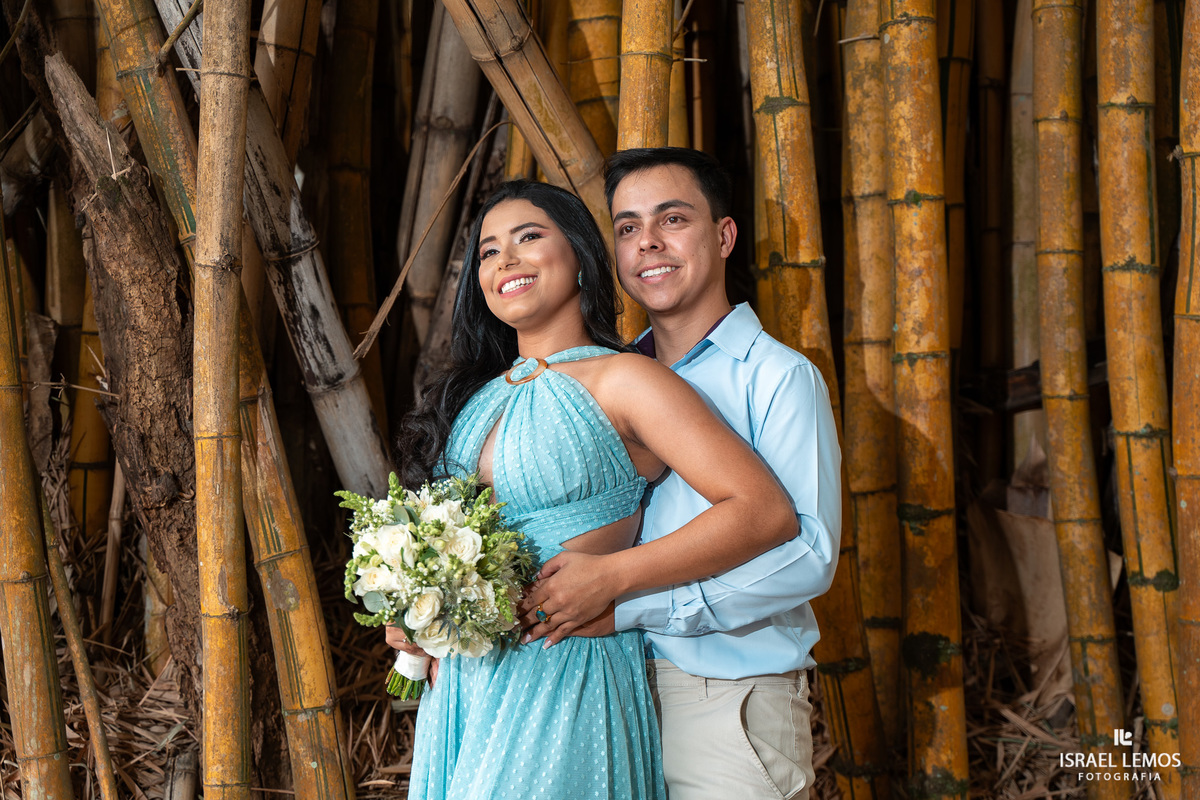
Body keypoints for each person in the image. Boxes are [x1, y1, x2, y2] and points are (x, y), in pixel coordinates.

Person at [389, 179, 799, 800]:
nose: (508, 261)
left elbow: (763, 510)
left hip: (567, 669)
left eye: (529, 237)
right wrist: (419, 606)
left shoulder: (626, 380)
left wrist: (616, 577)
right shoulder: (475, 398)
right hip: (469, 683)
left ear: (580, 254)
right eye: (490, 251)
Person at [519, 148, 841, 800]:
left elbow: (810, 557)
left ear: (722, 236)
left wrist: (639, 604)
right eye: (629, 228)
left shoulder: (777, 377)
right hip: (605, 693)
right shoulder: (600, 382)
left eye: (673, 219)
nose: (649, 244)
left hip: (725, 701)